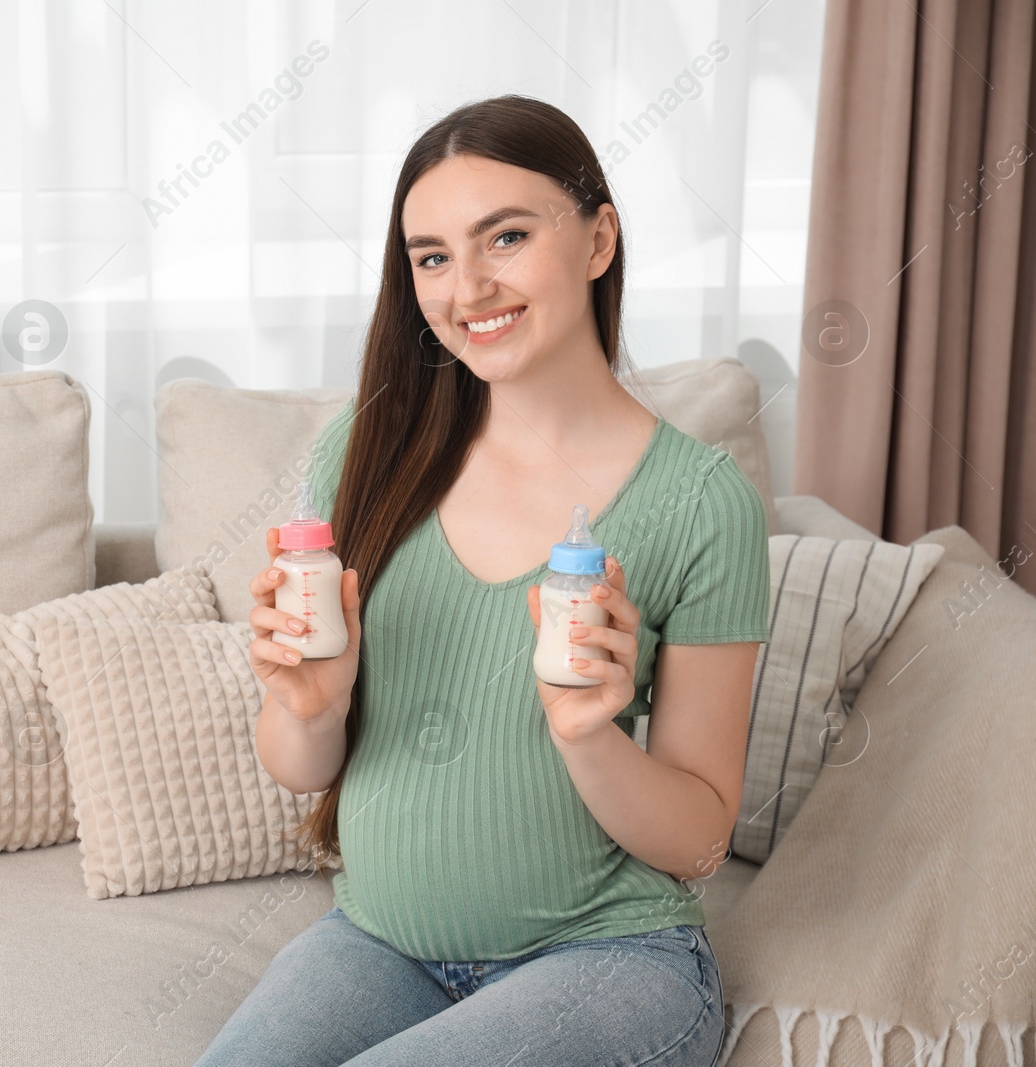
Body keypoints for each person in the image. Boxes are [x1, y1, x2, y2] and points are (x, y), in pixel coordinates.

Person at [192, 94, 771, 1066]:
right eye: (430, 256)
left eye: (504, 236)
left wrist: (588, 731)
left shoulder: (701, 503)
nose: (467, 287)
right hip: (381, 942)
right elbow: (301, 764)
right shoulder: (363, 451)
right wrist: (308, 705)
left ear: (597, 240)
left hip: (613, 960)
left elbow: (700, 841)